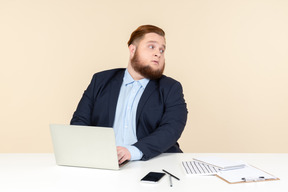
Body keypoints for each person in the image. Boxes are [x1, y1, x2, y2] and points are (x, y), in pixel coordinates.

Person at [70, 25, 188, 164]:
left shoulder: (171, 88)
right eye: (151, 47)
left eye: (162, 49)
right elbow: (79, 122)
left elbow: (171, 129)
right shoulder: (100, 80)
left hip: (153, 162)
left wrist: (132, 152)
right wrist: (93, 152)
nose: (158, 53)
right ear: (132, 50)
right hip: (104, 162)